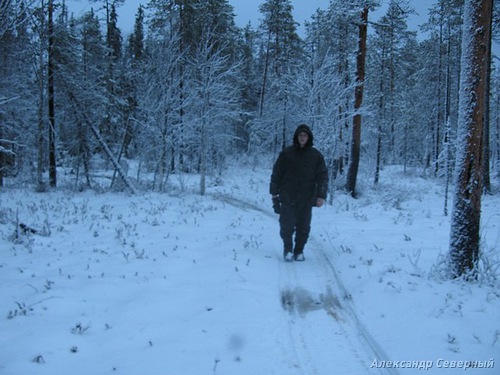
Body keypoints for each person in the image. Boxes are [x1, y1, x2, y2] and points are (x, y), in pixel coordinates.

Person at [270, 124, 328, 261]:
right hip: (287, 196)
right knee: (286, 226)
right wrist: (274, 193)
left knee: (303, 227)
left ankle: (299, 251)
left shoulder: (316, 156)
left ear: (309, 138)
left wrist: (321, 195)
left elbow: (323, 177)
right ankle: (288, 249)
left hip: (306, 198)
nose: (302, 138)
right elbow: (276, 173)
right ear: (297, 137)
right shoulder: (286, 154)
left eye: (305, 135)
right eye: (300, 135)